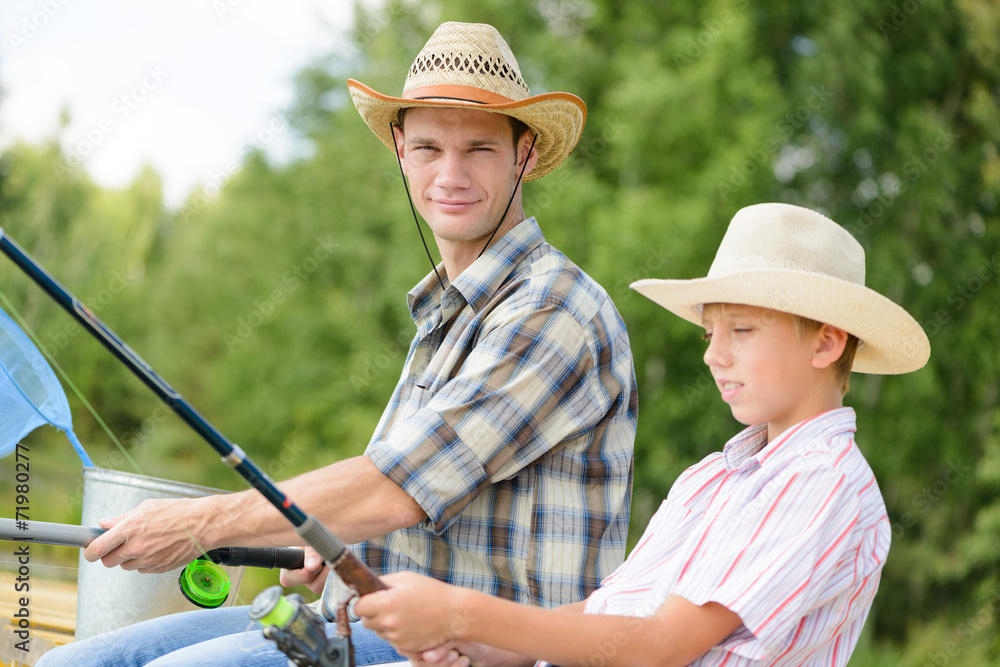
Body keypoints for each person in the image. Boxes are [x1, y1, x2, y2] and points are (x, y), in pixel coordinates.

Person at [36, 22, 636, 667]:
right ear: (400, 150)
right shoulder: (451, 309)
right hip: (367, 616)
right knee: (68, 663)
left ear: (523, 155)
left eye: (480, 149)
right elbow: (412, 497)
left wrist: (198, 524)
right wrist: (330, 541)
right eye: (430, 147)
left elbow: (395, 488)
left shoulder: (552, 308)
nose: (451, 175)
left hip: (482, 649)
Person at [354, 202, 931, 667]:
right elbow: (614, 612)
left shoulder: (820, 482)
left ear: (826, 343)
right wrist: (498, 649)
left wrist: (461, 613)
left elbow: (659, 647)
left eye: (743, 330)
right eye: (709, 333)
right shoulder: (713, 478)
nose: (715, 355)